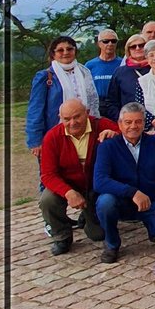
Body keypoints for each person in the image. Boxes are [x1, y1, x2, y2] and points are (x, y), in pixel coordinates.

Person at [38, 99, 117, 254]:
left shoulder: (102, 125)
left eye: (77, 117)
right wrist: (68, 192)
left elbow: (129, 139)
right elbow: (47, 174)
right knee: (48, 199)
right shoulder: (52, 137)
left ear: (87, 113)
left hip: (96, 186)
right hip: (69, 184)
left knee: (98, 235)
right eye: (67, 119)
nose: (72, 123)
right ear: (60, 118)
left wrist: (117, 136)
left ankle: (88, 217)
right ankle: (62, 236)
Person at [93, 102, 155, 263]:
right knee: (105, 202)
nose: (133, 126)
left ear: (144, 123)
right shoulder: (108, 146)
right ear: (120, 124)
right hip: (122, 201)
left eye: (138, 121)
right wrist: (132, 192)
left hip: (153, 200)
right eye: (128, 122)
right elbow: (100, 181)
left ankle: (154, 229)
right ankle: (111, 244)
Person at [27, 36, 101, 161]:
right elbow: (35, 109)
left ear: (75, 51)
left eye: (69, 49)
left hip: (85, 130)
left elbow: (93, 102)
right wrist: (35, 140)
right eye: (60, 50)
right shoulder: (45, 76)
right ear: (53, 54)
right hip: (56, 132)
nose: (65, 52)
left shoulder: (85, 72)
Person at [84, 29, 120, 101]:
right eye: (106, 41)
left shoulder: (123, 64)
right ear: (99, 44)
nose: (110, 44)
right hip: (97, 102)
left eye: (113, 41)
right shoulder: (90, 65)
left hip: (117, 103)